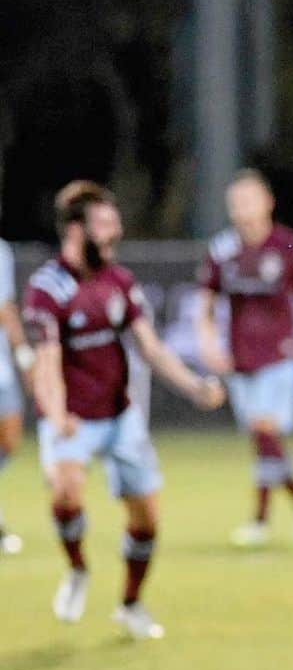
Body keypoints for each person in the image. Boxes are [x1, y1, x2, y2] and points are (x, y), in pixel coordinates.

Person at [23, 181, 225, 639]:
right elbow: (48, 363)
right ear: (76, 230)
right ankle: (77, 569)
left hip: (118, 416)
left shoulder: (119, 281)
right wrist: (56, 416)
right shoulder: (47, 289)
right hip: (72, 416)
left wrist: (195, 386)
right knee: (66, 492)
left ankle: (131, 604)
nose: (114, 234)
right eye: (105, 225)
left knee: (147, 518)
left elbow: (150, 349)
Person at [197, 169, 293, 548]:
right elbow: (204, 305)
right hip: (241, 361)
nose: (243, 210)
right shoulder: (222, 251)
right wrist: (208, 344)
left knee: (264, 428)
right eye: (236, 203)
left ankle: (259, 522)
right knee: (264, 440)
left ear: (268, 202)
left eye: (250, 200)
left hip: (281, 355)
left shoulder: (288, 245)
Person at [0, 237, 34, 553]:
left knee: (9, 440)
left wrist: (23, 354)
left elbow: (6, 308)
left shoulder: (3, 251)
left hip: (2, 366)